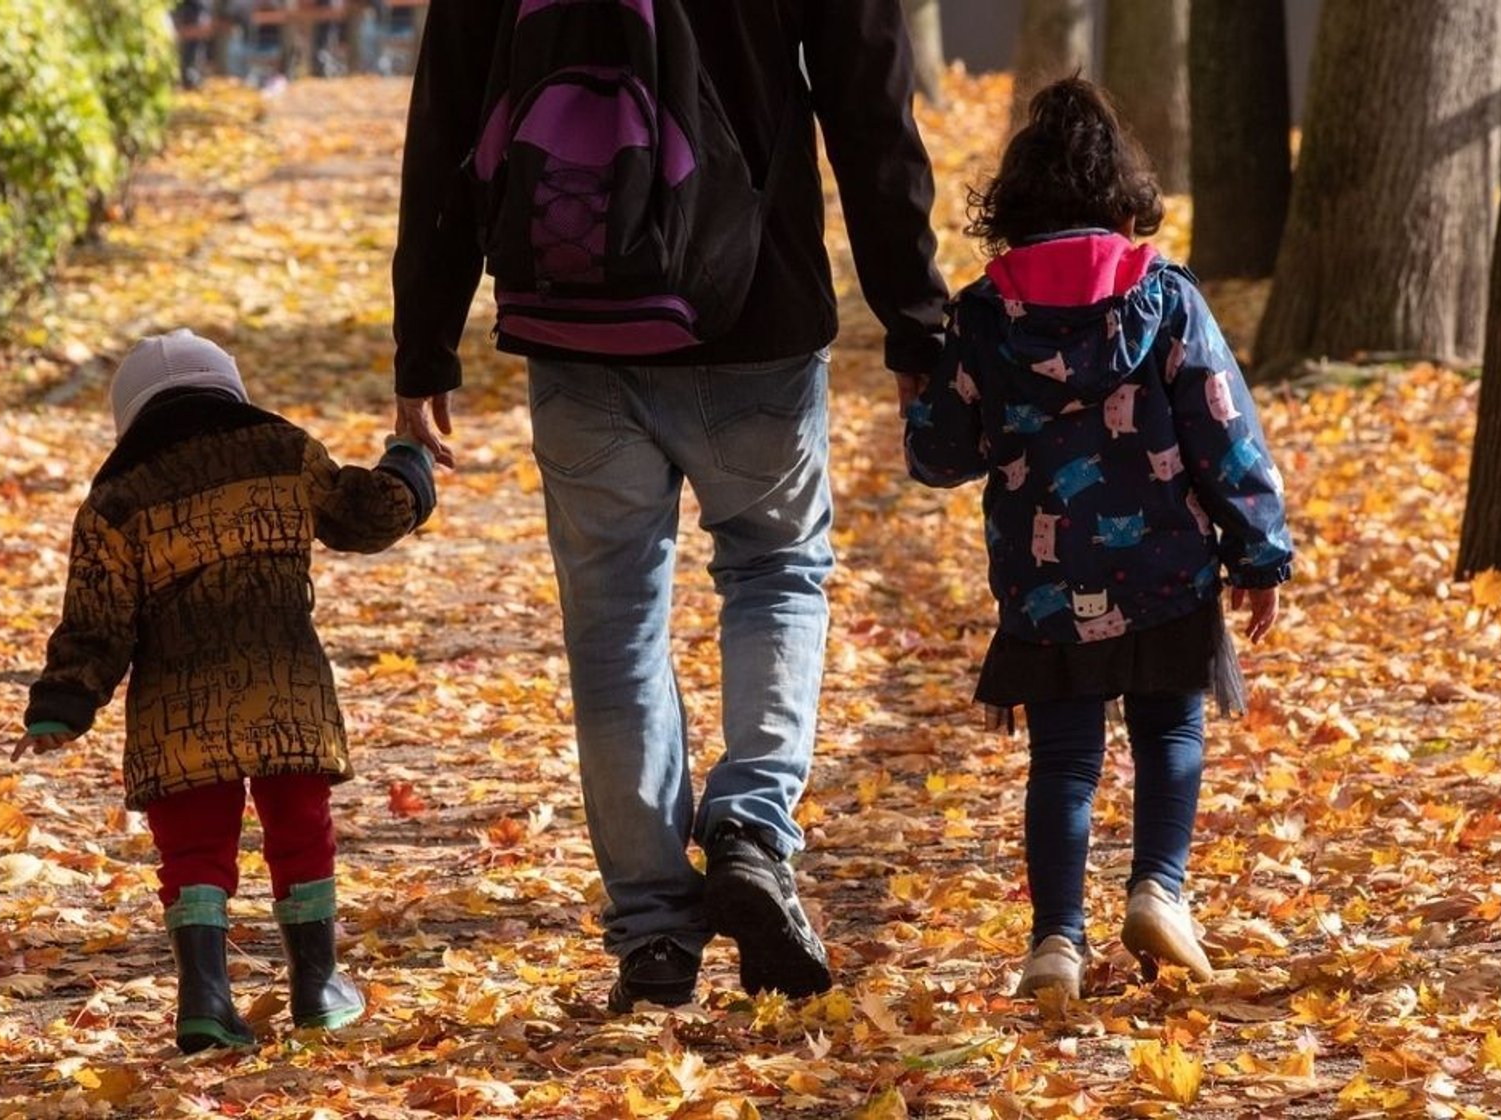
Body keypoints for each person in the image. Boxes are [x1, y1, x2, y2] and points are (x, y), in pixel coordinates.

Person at [392, 2, 949, 1011]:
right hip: (756, 307)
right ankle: (750, 827)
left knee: (613, 629)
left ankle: (653, 935)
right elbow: (869, 98)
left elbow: (449, 112)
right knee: (777, 570)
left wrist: (423, 341)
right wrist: (915, 321)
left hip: (575, 312)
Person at [903, 77, 1294, 1000]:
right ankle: (1160, 888)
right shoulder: (1163, 297)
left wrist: (928, 383)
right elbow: (1222, 425)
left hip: (1047, 580)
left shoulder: (985, 315)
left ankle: (1055, 943)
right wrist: (1259, 552)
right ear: (1120, 194)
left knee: (1067, 760)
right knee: (1170, 730)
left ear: (1017, 201)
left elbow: (940, 456)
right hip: (1166, 567)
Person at [11, 330, 441, 1052]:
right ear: (230, 389)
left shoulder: (116, 498)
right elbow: (364, 515)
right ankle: (318, 985)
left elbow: (96, 621)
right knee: (300, 826)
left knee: (193, 846)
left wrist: (63, 705)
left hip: (179, 711)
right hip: (285, 689)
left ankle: (205, 998)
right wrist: (409, 463)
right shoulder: (282, 451)